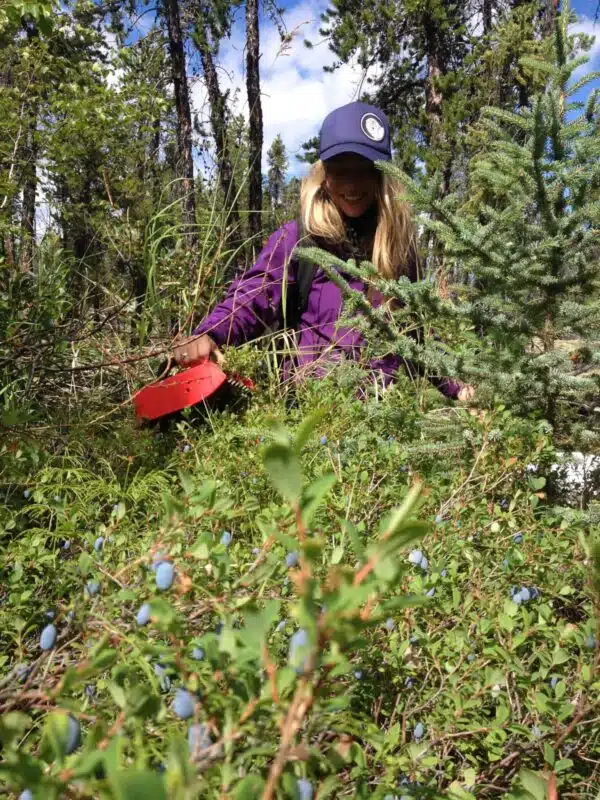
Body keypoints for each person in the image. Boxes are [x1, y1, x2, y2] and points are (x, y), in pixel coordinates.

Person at [173, 101, 473, 402]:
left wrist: (460, 387)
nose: (352, 184)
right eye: (341, 171)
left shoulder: (399, 252)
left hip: (386, 425)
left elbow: (418, 336)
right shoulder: (298, 240)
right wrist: (211, 333)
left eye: (364, 170)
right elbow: (255, 294)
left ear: (383, 177)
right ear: (324, 175)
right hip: (311, 415)